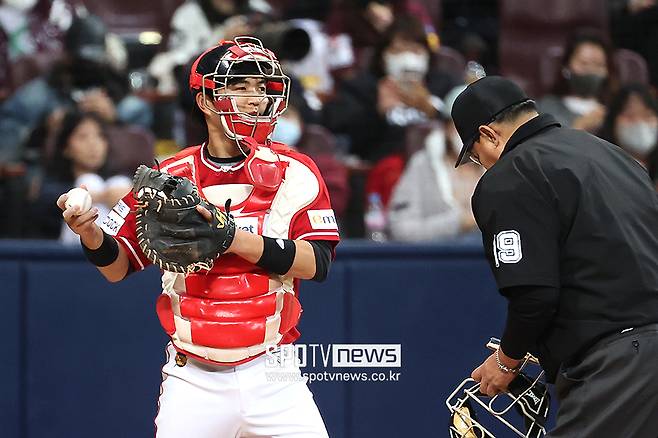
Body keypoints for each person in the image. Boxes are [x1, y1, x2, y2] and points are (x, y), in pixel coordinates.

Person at [57, 37, 340, 437]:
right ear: (206, 100)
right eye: (240, 87)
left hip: (275, 370)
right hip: (194, 377)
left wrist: (229, 237)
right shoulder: (166, 176)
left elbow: (318, 263)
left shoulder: (296, 169)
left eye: (261, 88)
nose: (255, 98)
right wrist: (88, 231)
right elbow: (117, 267)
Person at [452, 76, 658, 437]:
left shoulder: (510, 174)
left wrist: (506, 360)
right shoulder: (612, 154)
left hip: (619, 365)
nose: (480, 163)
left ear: (488, 134)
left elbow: (534, 295)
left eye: (474, 153)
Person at [30, 110, 131, 242]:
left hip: (113, 253)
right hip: (65, 256)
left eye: (100, 136)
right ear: (66, 147)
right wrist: (103, 197)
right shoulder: (50, 186)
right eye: (83, 137)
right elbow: (45, 205)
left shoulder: (117, 181)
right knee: (89, 182)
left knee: (119, 183)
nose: (93, 144)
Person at [537, 29, 618, 132]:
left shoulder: (615, 111)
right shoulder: (546, 108)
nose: (591, 70)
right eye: (584, 63)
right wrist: (580, 126)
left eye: (599, 65)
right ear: (566, 67)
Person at [597, 83, 658, 187]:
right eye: (629, 116)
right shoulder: (599, 172)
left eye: (648, 116)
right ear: (612, 122)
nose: (639, 123)